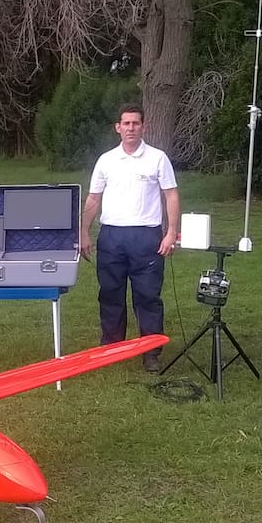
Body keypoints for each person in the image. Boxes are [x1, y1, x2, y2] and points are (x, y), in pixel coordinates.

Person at [79, 105, 180, 372]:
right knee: (110, 294)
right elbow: (94, 198)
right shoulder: (106, 160)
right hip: (111, 236)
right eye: (126, 123)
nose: (131, 128)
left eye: (136, 123)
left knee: (147, 296)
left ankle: (151, 353)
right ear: (118, 127)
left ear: (143, 127)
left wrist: (171, 232)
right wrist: (83, 230)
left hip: (146, 237)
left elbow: (171, 195)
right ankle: (111, 350)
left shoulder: (157, 158)